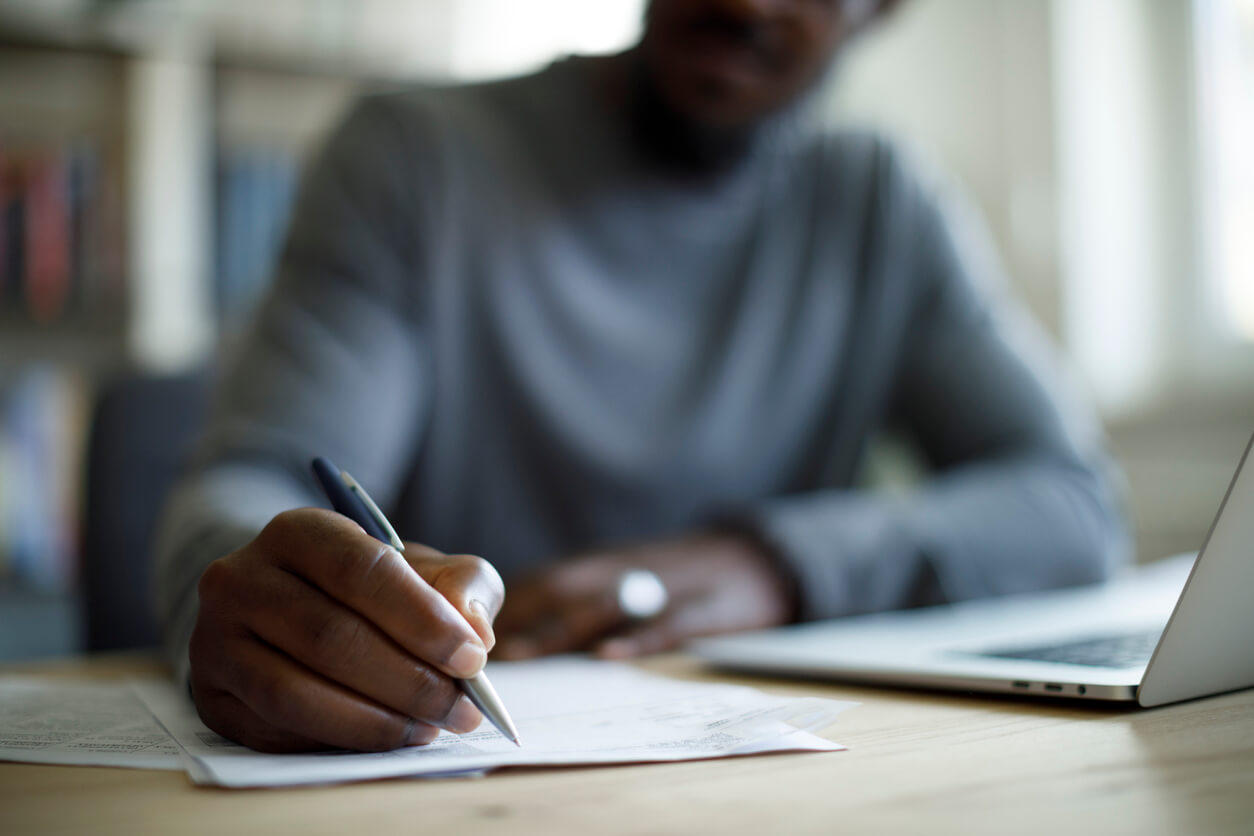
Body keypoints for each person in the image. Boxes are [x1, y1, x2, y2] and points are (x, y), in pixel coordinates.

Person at [154, 0, 1128, 754]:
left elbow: (1071, 500)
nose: (747, 2)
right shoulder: (413, 161)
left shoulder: (878, 204)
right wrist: (247, 602)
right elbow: (252, 482)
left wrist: (773, 563)